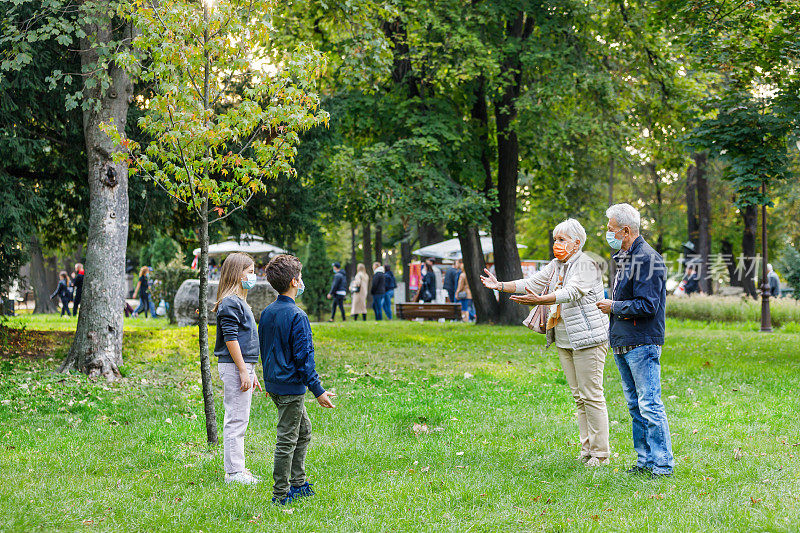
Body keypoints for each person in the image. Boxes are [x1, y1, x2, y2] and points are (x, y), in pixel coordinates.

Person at [481, 218, 611, 467]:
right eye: (555, 240)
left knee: (592, 395)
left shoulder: (586, 264)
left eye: (562, 240)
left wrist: (541, 300)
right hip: (564, 339)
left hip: (588, 340)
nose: (556, 244)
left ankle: (601, 455)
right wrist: (500, 285)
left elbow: (571, 292)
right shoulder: (556, 265)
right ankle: (588, 451)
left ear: (576, 242)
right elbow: (530, 283)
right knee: (579, 397)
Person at [596, 203, 673, 477]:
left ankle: (662, 465)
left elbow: (648, 305)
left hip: (642, 342)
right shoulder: (625, 257)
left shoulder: (648, 259)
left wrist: (613, 307)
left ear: (625, 230)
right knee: (635, 406)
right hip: (623, 341)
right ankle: (644, 462)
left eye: (611, 230)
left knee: (650, 404)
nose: (608, 234)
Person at [259, 254, 335, 505]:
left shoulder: (268, 312)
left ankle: (298, 483)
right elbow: (304, 358)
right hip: (290, 386)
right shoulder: (298, 316)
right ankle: (281, 494)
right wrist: (318, 390)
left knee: (303, 430)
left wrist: (270, 381)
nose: (302, 282)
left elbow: (266, 350)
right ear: (294, 281)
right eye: (300, 278)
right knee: (287, 438)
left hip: (276, 384)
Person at [212, 252, 263, 486]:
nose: (253, 276)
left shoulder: (239, 301)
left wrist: (252, 372)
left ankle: (238, 468)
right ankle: (234, 473)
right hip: (235, 367)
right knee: (236, 419)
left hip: (242, 366)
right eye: (250, 272)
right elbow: (231, 339)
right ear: (236, 273)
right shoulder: (231, 302)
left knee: (240, 418)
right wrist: (243, 370)